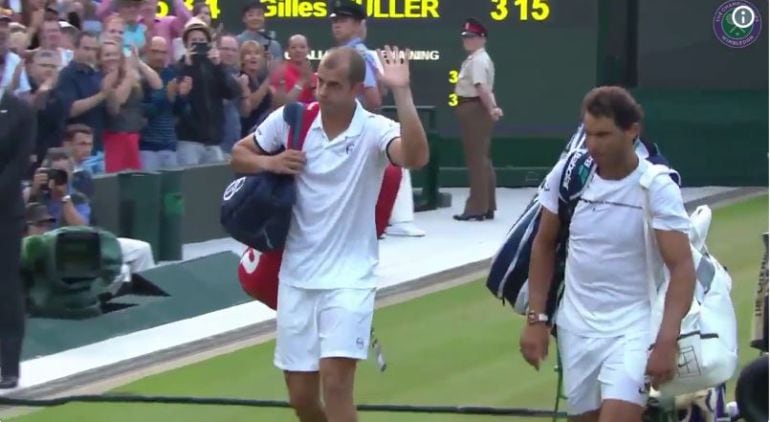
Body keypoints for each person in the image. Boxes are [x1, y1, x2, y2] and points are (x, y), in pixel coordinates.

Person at [230, 45, 429, 422]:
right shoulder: (291, 120)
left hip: (350, 279)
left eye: (334, 85)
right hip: (296, 277)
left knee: (336, 383)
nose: (322, 91)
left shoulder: (374, 130)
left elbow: (416, 157)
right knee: (302, 398)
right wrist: (269, 161)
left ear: (356, 89)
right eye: (320, 81)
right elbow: (238, 154)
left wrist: (402, 92)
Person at [520, 86, 696, 422]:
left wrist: (666, 340)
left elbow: (682, 267)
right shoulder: (569, 175)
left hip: (634, 327)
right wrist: (536, 319)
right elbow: (543, 244)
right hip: (576, 328)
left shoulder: (657, 187)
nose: (592, 145)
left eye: (603, 135)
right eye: (588, 134)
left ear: (632, 131)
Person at [0, 71, 36, 389]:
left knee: (5, 286)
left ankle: (8, 366)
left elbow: (17, 164)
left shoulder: (20, 112)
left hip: (4, 213)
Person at [453, 18, 502, 221]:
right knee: (482, 158)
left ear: (482, 39)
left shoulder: (478, 60)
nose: (467, 40)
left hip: (474, 108)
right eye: (465, 37)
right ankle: (487, 205)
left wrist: (491, 108)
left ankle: (476, 208)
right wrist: (492, 107)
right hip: (476, 108)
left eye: (472, 37)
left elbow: (481, 87)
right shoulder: (477, 59)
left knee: (476, 159)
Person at [329, 0, 381, 112]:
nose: (337, 25)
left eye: (343, 20)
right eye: (335, 21)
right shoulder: (346, 52)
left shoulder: (357, 55)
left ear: (357, 25)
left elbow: (373, 100)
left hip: (355, 121)